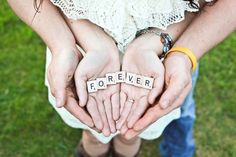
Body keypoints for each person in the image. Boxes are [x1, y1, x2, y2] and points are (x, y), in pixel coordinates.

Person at [7, 0, 236, 157]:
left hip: (161, 58)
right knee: (94, 133)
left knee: (131, 134)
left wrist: (184, 53)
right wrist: (62, 44)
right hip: (82, 47)